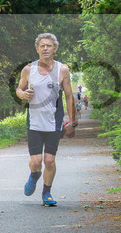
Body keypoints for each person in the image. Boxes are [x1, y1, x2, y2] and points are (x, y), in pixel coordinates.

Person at [16, 32, 77, 207]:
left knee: (49, 160)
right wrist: (23, 94)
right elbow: (19, 89)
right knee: (36, 162)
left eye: (49, 46)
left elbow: (69, 97)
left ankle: (47, 193)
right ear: (37, 49)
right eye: (42, 46)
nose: (45, 49)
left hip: (54, 122)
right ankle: (35, 175)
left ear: (55, 49)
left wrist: (72, 122)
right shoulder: (29, 69)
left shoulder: (62, 70)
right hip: (34, 122)